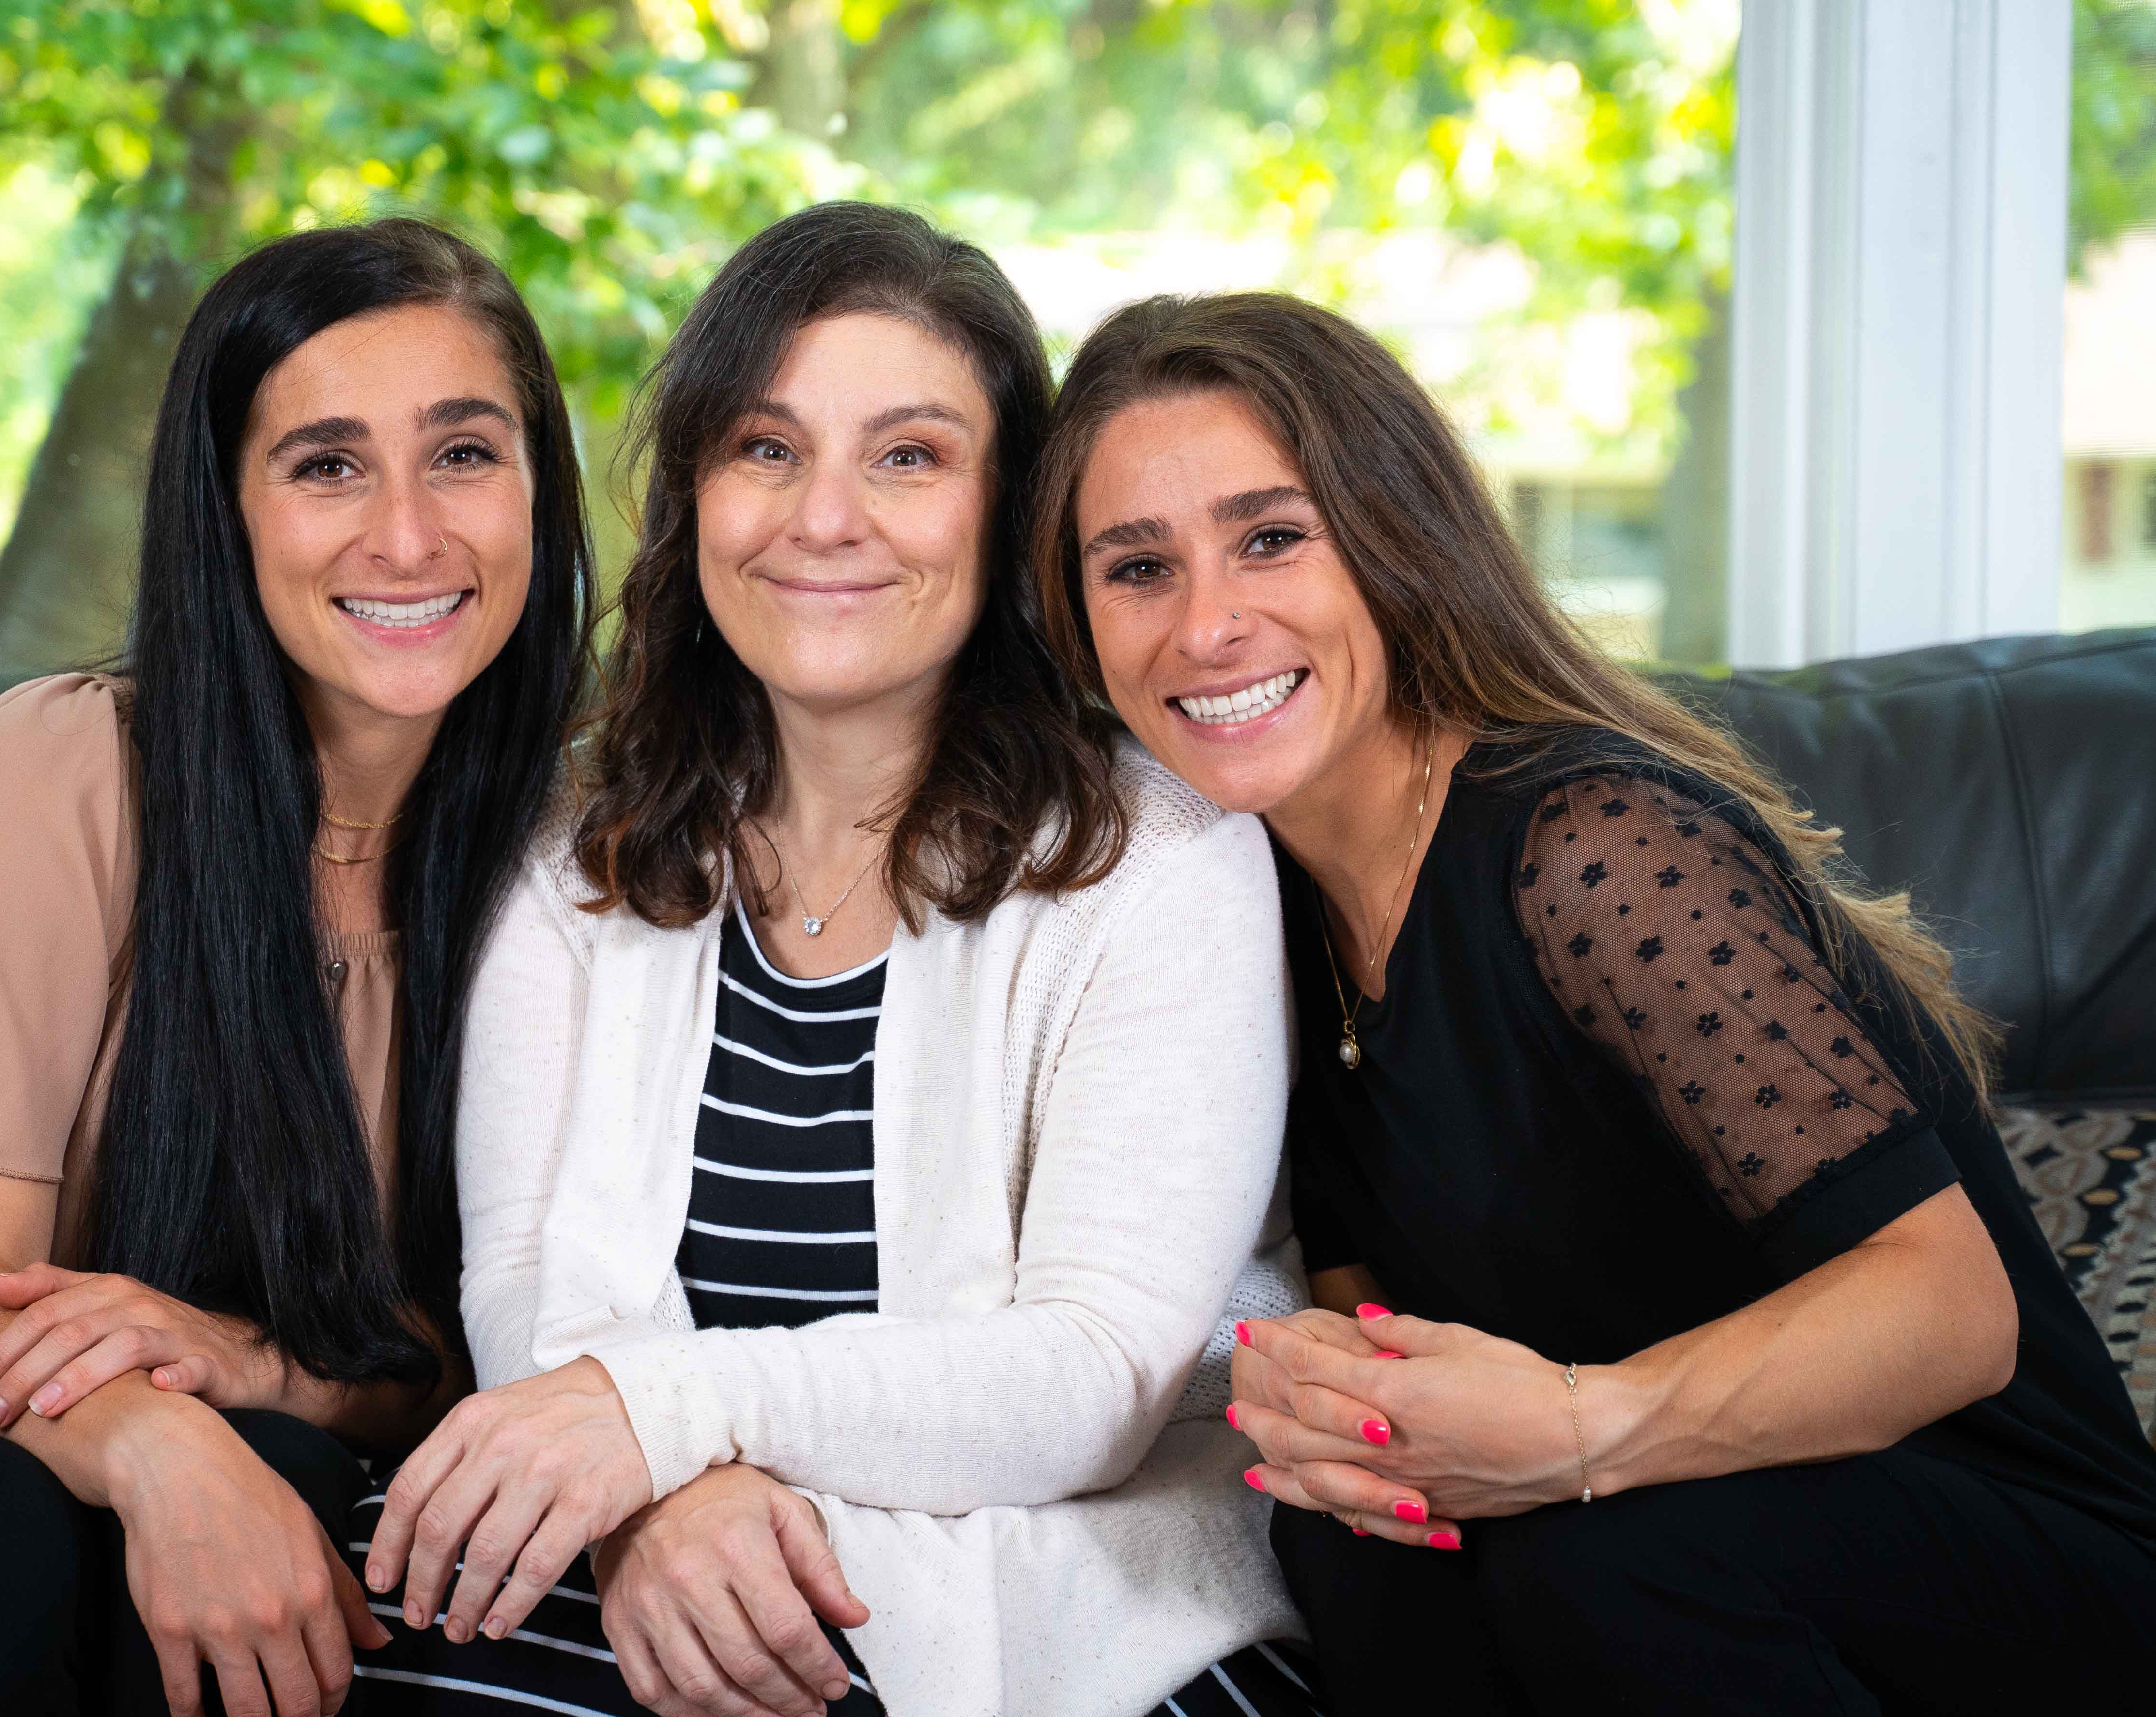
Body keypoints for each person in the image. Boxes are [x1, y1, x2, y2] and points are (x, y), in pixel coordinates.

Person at [1030, 289, 2156, 1714]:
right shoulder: (1252, 905)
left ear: (1394, 541)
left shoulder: (1596, 849)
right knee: (1352, 1532)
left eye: (1271, 538)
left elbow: (1950, 1309)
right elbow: (1371, 1300)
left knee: (1606, 1557)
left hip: (2026, 1570)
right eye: (1139, 568)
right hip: (1648, 1569)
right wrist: (1330, 1395)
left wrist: (1581, 1430)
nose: (1207, 625)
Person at [339, 203, 1319, 1717]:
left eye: (909, 456)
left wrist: (663, 1425)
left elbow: (1090, 1381)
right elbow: (528, 1283)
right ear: (694, 495)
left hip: (1049, 1610)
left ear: (1010, 510)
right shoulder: (575, 852)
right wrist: (658, 1505)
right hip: (646, 1557)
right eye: (766, 447)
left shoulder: (1166, 854)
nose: (824, 517)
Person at [0, 217, 588, 1717]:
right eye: (326, 465)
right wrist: (156, 1439)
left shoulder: (574, 861)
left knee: (291, 1475)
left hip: (225, 1544)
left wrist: (247, 1370)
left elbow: (475, 1353)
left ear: (541, 489)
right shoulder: (62, 771)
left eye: (463, 453)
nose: (407, 535)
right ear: (226, 509)